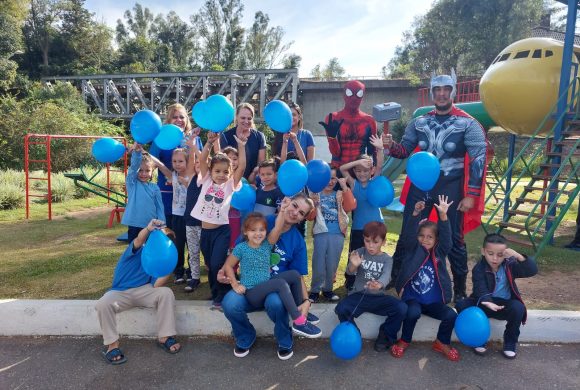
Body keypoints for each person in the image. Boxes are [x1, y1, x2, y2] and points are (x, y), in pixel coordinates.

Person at [383, 70, 487, 301]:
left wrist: (471, 195)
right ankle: (398, 276)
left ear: (453, 92)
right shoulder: (419, 122)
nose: (441, 94)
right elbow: (404, 151)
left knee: (455, 238)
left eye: (446, 90)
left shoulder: (468, 124)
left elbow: (479, 159)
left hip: (450, 187)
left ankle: (459, 289)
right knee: (408, 232)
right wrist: (391, 146)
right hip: (421, 187)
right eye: (437, 90)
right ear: (431, 92)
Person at [219, 193, 319, 360]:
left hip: (275, 292)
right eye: (294, 206)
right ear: (287, 202)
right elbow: (236, 253)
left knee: (276, 300)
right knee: (230, 303)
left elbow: (298, 276)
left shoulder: (297, 240)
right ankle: (245, 335)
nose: (295, 213)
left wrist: (306, 301)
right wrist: (226, 274)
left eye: (301, 213)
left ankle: (285, 337)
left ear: (302, 220)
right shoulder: (260, 224)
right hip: (249, 288)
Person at [95, 219, 181, 365]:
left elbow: (156, 286)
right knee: (103, 303)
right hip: (120, 292)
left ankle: (165, 337)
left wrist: (169, 264)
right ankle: (112, 345)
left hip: (144, 291)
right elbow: (139, 238)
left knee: (166, 293)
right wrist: (149, 228)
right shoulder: (136, 249)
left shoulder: (158, 261)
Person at [392, 195, 460, 362]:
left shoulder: (439, 252)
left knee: (451, 315)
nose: (425, 240)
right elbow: (408, 235)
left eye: (430, 237)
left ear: (436, 240)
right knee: (412, 312)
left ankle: (441, 342)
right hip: (413, 299)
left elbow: (447, 239)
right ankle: (404, 341)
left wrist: (443, 216)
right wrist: (415, 213)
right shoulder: (412, 250)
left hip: (433, 302)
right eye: (421, 236)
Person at [456, 233, 538, 359]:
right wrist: (487, 301)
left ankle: (510, 344)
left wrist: (517, 256)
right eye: (490, 254)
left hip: (503, 305)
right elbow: (480, 288)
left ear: (505, 254)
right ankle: (479, 339)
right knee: (462, 304)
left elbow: (531, 270)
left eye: (500, 255)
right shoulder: (479, 268)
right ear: (483, 251)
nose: (495, 259)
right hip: (484, 303)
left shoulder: (510, 265)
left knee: (518, 308)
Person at [191, 132, 246, 310]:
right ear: (211, 171)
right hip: (205, 232)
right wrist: (208, 143)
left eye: (225, 172)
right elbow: (202, 159)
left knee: (217, 263)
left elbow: (242, 166)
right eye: (217, 171)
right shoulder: (206, 180)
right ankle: (216, 294)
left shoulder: (230, 185)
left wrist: (242, 146)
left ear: (230, 173)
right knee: (209, 264)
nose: (221, 175)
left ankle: (221, 297)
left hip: (222, 231)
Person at [334, 221, 407, 353]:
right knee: (341, 308)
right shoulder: (359, 252)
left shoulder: (387, 259)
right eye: (367, 241)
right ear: (364, 239)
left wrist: (379, 284)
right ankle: (354, 335)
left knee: (401, 308)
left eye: (375, 242)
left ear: (383, 242)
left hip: (379, 298)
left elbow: (386, 276)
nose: (371, 246)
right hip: (359, 295)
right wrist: (354, 265)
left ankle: (385, 337)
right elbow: (349, 272)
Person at [339, 135, 384, 290]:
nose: (362, 174)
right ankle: (350, 281)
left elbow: (379, 167)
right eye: (358, 171)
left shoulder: (374, 181)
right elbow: (342, 169)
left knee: (372, 255)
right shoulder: (353, 184)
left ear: (370, 171)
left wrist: (380, 149)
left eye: (365, 171)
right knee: (355, 254)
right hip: (359, 228)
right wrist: (358, 162)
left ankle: (370, 279)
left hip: (376, 225)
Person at [151, 137, 198, 285]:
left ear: (186, 162)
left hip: (190, 216)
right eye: (175, 161)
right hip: (177, 215)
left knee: (192, 245)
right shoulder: (173, 176)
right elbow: (160, 164)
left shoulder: (191, 176)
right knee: (178, 244)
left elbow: (193, 159)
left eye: (181, 161)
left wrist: (192, 145)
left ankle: (192, 272)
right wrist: (145, 152)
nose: (177, 164)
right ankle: (178, 272)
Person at [150, 104, 202, 229]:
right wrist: (169, 174)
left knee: (191, 234)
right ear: (168, 120)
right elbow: (150, 160)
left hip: (190, 192)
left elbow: (201, 163)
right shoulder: (160, 138)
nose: (179, 120)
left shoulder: (195, 139)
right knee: (168, 231)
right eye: (174, 117)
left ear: (187, 120)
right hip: (167, 193)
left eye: (182, 117)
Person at [309, 169, 356, 302]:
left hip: (337, 234)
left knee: (332, 263)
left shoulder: (340, 194)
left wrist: (344, 186)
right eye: (327, 178)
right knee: (318, 263)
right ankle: (314, 290)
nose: (330, 181)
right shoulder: (315, 195)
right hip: (320, 233)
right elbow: (310, 217)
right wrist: (313, 205)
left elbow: (351, 205)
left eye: (334, 178)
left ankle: (328, 289)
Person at [319, 80, 378, 169]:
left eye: (359, 94)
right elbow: (336, 153)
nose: (354, 98)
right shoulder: (333, 118)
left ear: (363, 96)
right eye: (349, 93)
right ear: (344, 95)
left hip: (360, 171)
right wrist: (332, 138)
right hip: (339, 170)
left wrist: (375, 169)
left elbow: (373, 151)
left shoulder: (369, 121)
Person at [120, 144, 165, 243]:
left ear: (152, 171)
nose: (144, 174)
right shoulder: (132, 184)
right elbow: (133, 168)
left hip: (150, 225)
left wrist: (162, 224)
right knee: (135, 249)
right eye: (140, 170)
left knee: (149, 250)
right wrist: (137, 153)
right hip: (134, 225)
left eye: (147, 170)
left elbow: (159, 207)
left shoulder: (155, 188)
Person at [219, 103, 266, 179]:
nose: (246, 121)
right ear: (236, 117)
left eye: (249, 118)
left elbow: (261, 164)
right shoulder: (226, 136)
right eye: (243, 118)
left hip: (253, 183)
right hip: (230, 182)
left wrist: (254, 179)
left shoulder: (259, 137)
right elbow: (221, 161)